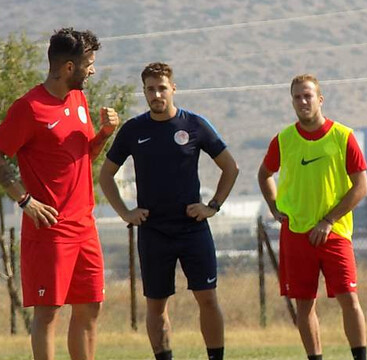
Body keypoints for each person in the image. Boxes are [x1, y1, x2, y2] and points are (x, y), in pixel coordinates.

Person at [99, 62, 238, 360]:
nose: (157, 94)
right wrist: (126, 213)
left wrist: (212, 206)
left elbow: (230, 167)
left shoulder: (194, 125)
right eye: (150, 89)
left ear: (173, 88)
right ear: (144, 92)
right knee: (156, 305)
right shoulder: (134, 130)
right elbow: (106, 175)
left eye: (162, 88)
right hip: (153, 231)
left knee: (208, 298)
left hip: (192, 228)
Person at [0, 28, 119, 360]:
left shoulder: (79, 99)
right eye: (89, 63)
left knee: (89, 310)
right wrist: (23, 199)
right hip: (49, 231)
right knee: (48, 314)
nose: (92, 70)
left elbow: (84, 155)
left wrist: (106, 133)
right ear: (69, 67)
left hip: (85, 226)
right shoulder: (29, 107)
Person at [257, 74, 367, 360]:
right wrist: (274, 207)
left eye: (308, 96)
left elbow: (361, 187)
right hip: (296, 234)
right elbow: (264, 174)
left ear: (320, 99)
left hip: (335, 233)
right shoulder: (284, 139)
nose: (302, 101)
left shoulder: (343, 136)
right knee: (304, 305)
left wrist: (328, 220)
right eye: (297, 97)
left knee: (349, 299)